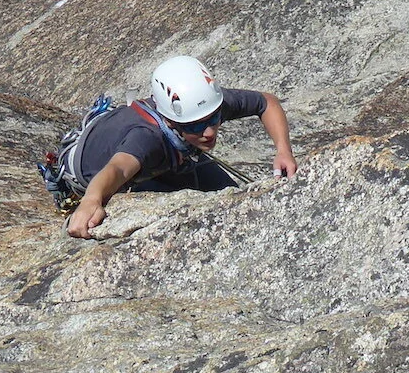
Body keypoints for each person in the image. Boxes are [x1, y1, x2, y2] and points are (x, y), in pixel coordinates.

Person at [64, 56, 297, 238]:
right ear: (170, 121)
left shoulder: (205, 106)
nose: (209, 132)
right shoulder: (147, 139)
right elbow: (118, 168)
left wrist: (283, 151)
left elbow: (266, 102)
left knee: (231, 197)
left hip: (170, 153)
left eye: (214, 119)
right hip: (101, 172)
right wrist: (91, 201)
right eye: (196, 125)